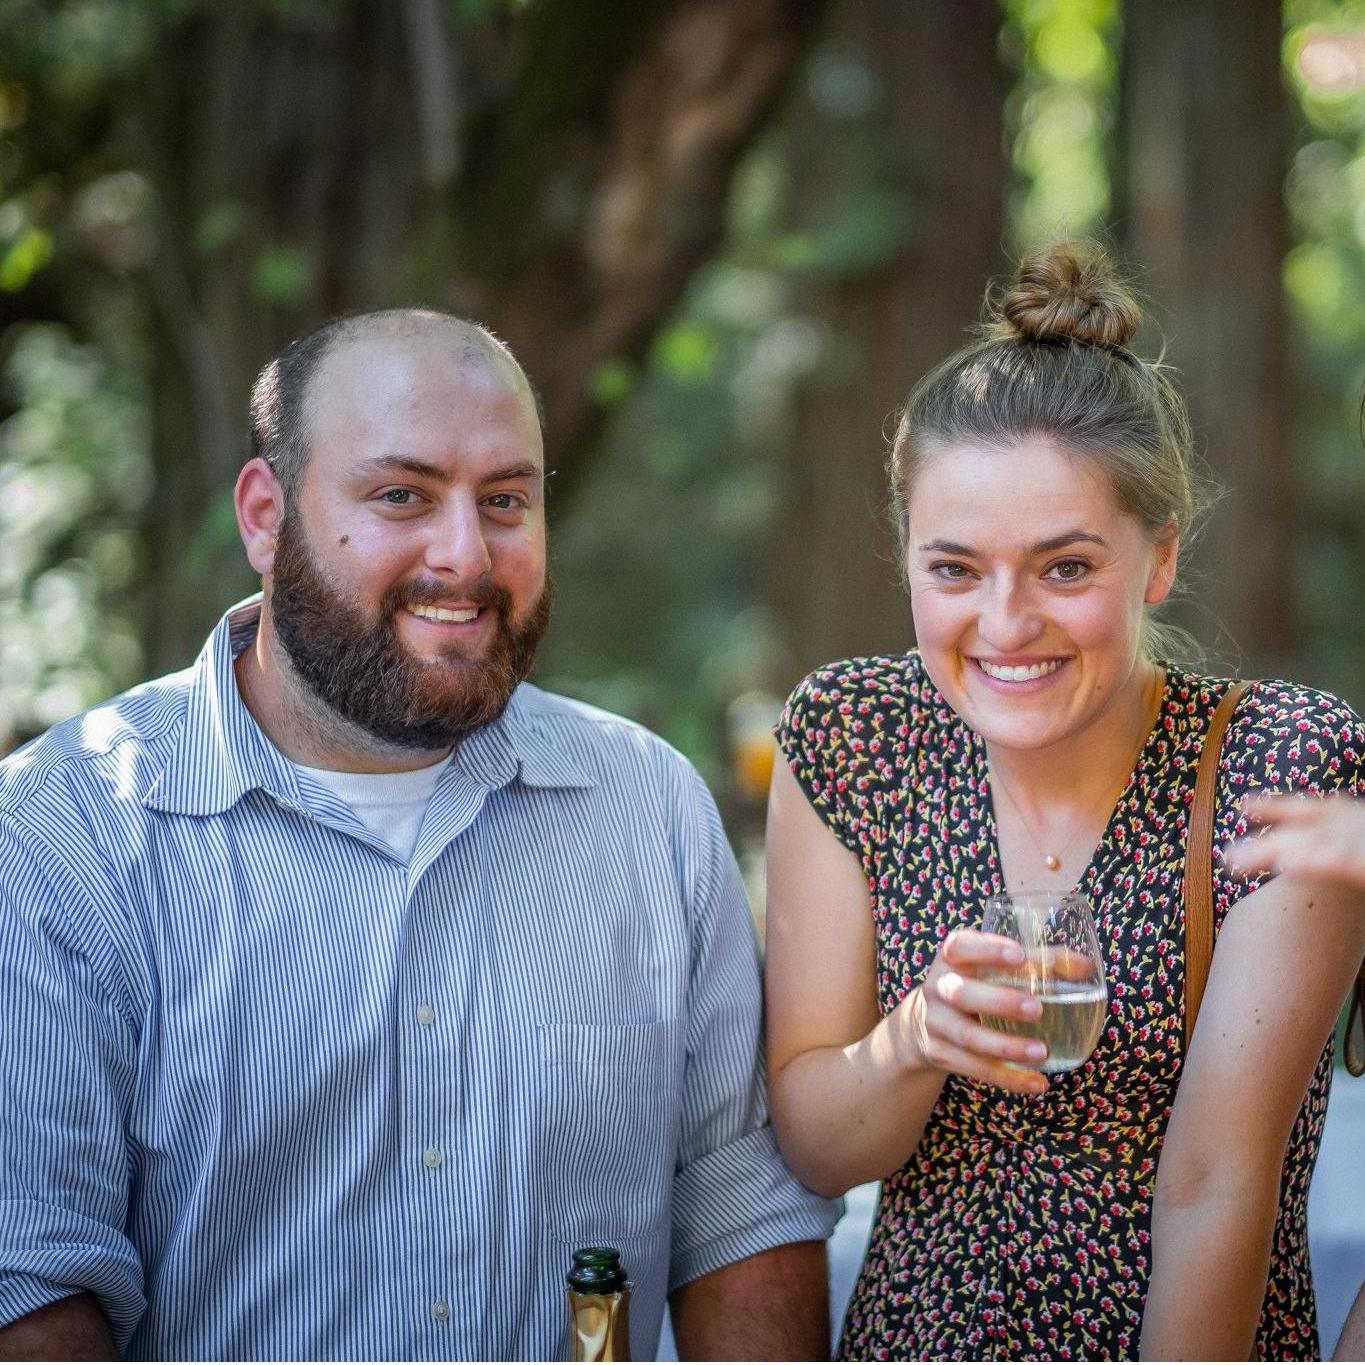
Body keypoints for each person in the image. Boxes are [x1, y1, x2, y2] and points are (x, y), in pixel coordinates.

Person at [0, 310, 838, 1361]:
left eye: (505, 501)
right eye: (401, 496)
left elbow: (738, 1220)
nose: (465, 555)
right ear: (266, 516)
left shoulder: (648, 810)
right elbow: (30, 1290)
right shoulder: (58, 840)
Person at [763, 240, 1365, 1361]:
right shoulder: (852, 735)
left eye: (1066, 567)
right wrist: (911, 1045)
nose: (1003, 624)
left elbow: (1214, 1185)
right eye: (954, 569)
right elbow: (815, 1148)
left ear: (1160, 558)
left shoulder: (1281, 763)